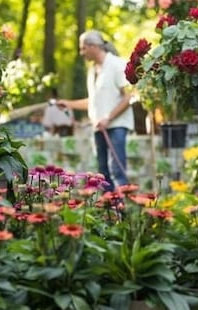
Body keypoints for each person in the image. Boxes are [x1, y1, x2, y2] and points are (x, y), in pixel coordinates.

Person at [57, 30, 134, 191]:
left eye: (83, 48)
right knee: (103, 174)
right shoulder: (92, 71)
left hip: (116, 126)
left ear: (93, 46)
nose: (81, 52)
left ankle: (123, 211)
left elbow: (129, 97)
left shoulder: (117, 65)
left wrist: (108, 118)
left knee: (117, 171)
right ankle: (109, 211)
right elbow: (93, 102)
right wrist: (68, 104)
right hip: (99, 128)